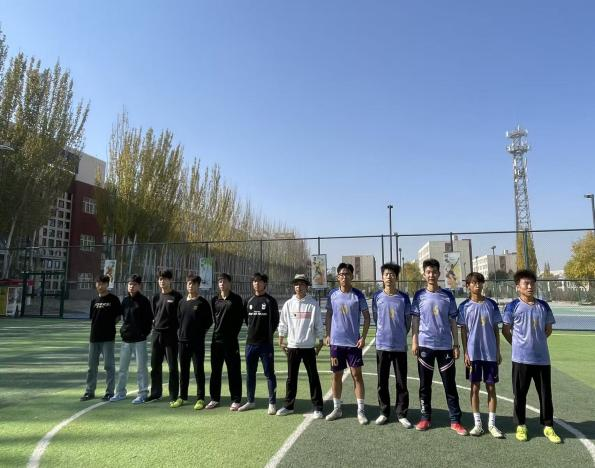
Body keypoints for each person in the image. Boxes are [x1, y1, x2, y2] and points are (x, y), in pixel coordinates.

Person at [502, 269, 561, 444]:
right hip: (520, 359)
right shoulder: (512, 306)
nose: (530, 286)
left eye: (532, 283)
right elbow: (506, 330)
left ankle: (548, 426)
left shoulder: (544, 306)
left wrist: (537, 343)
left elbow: (548, 330)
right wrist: (518, 345)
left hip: (542, 359)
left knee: (545, 394)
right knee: (519, 394)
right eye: (526, 283)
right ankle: (521, 425)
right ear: (517, 287)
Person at [411, 258, 468, 435]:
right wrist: (415, 341)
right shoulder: (419, 295)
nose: (431, 275)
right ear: (424, 274)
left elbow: (453, 321)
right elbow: (415, 320)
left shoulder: (448, 295)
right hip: (425, 346)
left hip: (445, 347)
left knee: (450, 385)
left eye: (434, 272)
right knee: (424, 385)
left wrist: (456, 344)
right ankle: (425, 417)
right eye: (428, 272)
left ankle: (455, 420)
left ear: (439, 274)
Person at [457, 272, 505, 438]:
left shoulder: (491, 304)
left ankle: (491, 424)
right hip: (474, 354)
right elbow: (463, 331)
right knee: (475, 387)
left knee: (491, 387)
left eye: (480, 282)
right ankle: (478, 424)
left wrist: (497, 350)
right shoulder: (464, 306)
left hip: (490, 354)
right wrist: (466, 352)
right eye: (473, 283)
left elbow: (495, 329)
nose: (477, 285)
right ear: (468, 286)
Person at [325, 262, 371, 425]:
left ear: (352, 276)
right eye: (341, 274)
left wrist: (363, 337)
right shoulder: (332, 294)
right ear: (338, 277)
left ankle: (361, 410)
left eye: (347, 274)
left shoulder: (358, 295)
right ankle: (337, 408)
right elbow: (328, 315)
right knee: (336, 375)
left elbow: (367, 317)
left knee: (356, 375)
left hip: (353, 344)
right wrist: (327, 335)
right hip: (336, 343)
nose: (344, 277)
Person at [276, 274, 324, 418]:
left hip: (308, 347)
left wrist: (321, 340)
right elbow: (283, 323)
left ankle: (318, 407)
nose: (299, 287)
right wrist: (281, 339)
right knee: (291, 378)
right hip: (292, 346)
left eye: (302, 284)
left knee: (313, 377)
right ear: (294, 286)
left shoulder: (313, 304)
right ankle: (288, 406)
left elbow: (318, 323)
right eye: (296, 284)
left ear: (306, 286)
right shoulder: (288, 304)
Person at [372, 262, 412, 428]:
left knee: (401, 382)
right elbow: (376, 318)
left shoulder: (404, 298)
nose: (389, 277)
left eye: (392, 274)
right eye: (386, 274)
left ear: (396, 277)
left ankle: (401, 413)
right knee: (382, 381)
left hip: (399, 346)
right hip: (382, 345)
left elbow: (408, 321)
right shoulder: (377, 297)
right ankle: (384, 412)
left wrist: (400, 334)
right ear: (382, 277)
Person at [238, 273, 279, 415]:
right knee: (250, 373)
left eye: (259, 281)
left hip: (266, 344)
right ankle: (250, 401)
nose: (256, 284)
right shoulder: (248, 301)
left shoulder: (270, 301)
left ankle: (272, 403)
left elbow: (275, 321)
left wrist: (267, 335)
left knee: (269, 374)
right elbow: (246, 320)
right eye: (254, 281)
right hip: (250, 344)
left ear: (265, 284)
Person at [170, 274, 213, 410]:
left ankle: (200, 398)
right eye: (188, 283)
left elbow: (209, 322)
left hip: (197, 343)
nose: (190, 286)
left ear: (198, 285)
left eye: (193, 283)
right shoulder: (182, 302)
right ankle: (182, 397)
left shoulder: (202, 303)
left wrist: (200, 334)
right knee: (184, 371)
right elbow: (178, 319)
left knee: (198, 370)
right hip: (182, 342)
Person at [110, 274, 153, 404]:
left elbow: (149, 320)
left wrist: (143, 334)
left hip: (140, 340)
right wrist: (123, 332)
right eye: (129, 284)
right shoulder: (125, 301)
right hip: (126, 340)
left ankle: (143, 393)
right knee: (122, 369)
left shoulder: (144, 301)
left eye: (134, 284)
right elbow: (123, 319)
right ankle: (120, 393)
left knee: (141, 368)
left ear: (139, 286)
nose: (131, 286)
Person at [80, 274, 123, 401]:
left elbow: (118, 317)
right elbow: (92, 318)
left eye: (103, 283)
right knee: (91, 367)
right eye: (98, 283)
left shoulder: (114, 299)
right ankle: (89, 392)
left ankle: (109, 392)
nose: (100, 286)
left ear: (107, 284)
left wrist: (108, 326)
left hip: (108, 338)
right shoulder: (94, 301)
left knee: (109, 366)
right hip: (94, 338)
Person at [206, 273, 244, 410]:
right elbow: (215, 319)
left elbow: (240, 319)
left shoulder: (236, 299)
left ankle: (236, 399)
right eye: (220, 281)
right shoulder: (214, 300)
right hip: (216, 341)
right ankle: (214, 399)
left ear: (229, 283)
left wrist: (232, 335)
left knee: (233, 371)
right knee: (215, 371)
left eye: (225, 281)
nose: (222, 284)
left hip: (231, 342)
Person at [147, 270, 183, 403]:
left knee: (173, 367)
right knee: (155, 366)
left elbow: (180, 316)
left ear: (170, 280)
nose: (162, 281)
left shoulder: (177, 296)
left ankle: (173, 395)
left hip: (171, 335)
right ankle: (155, 393)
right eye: (160, 279)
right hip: (156, 335)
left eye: (165, 279)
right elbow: (154, 315)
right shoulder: (156, 297)